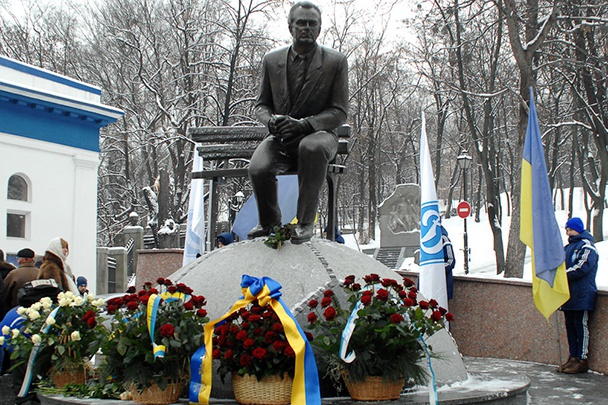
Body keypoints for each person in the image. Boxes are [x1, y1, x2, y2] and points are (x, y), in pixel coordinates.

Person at [247, 1, 349, 244]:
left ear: (320, 28)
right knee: (258, 168)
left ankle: (304, 222)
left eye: (312, 24)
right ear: (290, 27)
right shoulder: (272, 60)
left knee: (310, 147)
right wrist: (271, 122)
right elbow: (261, 105)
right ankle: (269, 223)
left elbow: (339, 111)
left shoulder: (335, 62)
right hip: (282, 137)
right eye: (301, 23)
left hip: (320, 135)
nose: (307, 28)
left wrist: (305, 124)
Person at [559, 217, 598, 374]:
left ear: (578, 229)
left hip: (582, 293)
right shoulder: (567, 248)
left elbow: (582, 267)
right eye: (567, 230)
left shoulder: (587, 246)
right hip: (568, 293)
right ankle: (573, 357)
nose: (568, 232)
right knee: (570, 325)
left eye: (570, 229)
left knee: (580, 325)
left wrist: (562, 276)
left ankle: (582, 359)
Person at [441, 226, 455, 300]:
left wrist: (439, 269)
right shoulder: (425, 238)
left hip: (443, 283)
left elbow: (451, 261)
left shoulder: (444, 239)